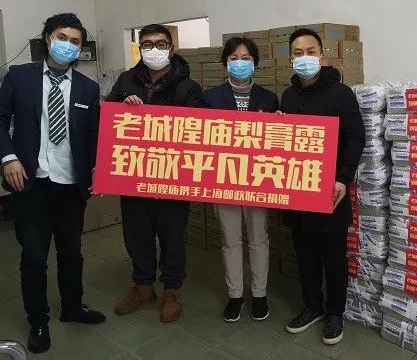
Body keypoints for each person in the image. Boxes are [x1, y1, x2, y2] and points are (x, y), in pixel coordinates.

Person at [0, 13, 105, 354]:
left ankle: (72, 307)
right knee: (34, 256)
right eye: (62, 37)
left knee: (72, 252)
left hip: (71, 186)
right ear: (47, 38)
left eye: (75, 41)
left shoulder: (88, 88)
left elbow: (93, 136)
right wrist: (8, 157)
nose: (67, 45)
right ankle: (38, 321)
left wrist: (98, 171)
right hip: (31, 183)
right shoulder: (20, 76)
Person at [106, 24, 206, 323]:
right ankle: (143, 286)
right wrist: (122, 107)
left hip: (172, 177)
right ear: (140, 49)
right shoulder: (126, 80)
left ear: (171, 49)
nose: (154, 50)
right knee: (136, 235)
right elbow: (108, 115)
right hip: (134, 175)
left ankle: (172, 290)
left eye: (160, 44)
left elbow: (201, 129)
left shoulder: (188, 87)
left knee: (172, 237)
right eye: (147, 44)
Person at [280, 28, 365, 345]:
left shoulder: (341, 94)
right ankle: (312, 306)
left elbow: (356, 138)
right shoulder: (288, 96)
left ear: (322, 55)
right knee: (305, 254)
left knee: (333, 257)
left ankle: (335, 313)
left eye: (310, 52)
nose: (305, 58)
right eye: (298, 53)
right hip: (297, 190)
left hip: (330, 190)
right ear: (290, 58)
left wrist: (343, 178)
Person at [203, 37, 279, 323]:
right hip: (223, 178)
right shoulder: (209, 98)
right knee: (230, 240)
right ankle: (235, 295)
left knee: (259, 239)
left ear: (255, 63)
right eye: (234, 58)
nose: (240, 63)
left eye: (246, 58)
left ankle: (260, 295)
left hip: (259, 179)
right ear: (225, 63)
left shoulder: (269, 98)